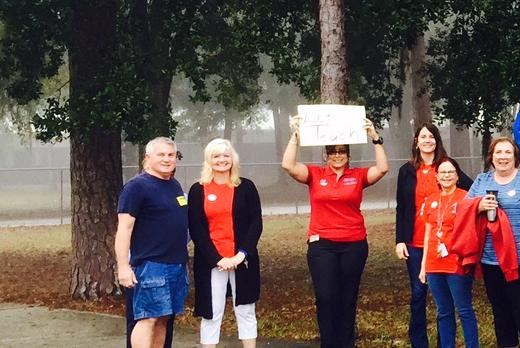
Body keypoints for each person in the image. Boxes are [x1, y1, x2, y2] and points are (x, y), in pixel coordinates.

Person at [281, 117, 389, 347]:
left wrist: (375, 137)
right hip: (322, 246)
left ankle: (346, 343)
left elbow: (382, 168)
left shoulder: (357, 176)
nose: (337, 155)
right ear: (326, 155)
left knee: (347, 298)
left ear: (348, 155)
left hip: (354, 244)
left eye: (342, 151)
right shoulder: (315, 175)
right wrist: (296, 136)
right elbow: (288, 165)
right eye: (332, 151)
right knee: (326, 297)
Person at [395, 122, 473, 348]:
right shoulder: (407, 171)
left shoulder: (447, 167)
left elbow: (470, 190)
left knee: (445, 300)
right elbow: (402, 207)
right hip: (416, 242)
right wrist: (400, 239)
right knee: (419, 294)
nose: (427, 140)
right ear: (416, 142)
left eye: (431, 137)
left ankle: (444, 343)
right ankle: (419, 343)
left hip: (446, 243)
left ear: (437, 141)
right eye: (423, 137)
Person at [466, 137, 520, 348]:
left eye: (507, 152)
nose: (503, 157)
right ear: (491, 157)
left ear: (515, 156)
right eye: (498, 152)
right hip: (491, 260)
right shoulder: (482, 181)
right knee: (500, 312)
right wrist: (479, 206)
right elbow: (464, 211)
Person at [188, 139, 263, 348]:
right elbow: (196, 229)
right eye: (216, 156)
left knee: (246, 310)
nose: (222, 160)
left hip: (242, 260)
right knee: (212, 313)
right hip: (212, 262)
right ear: (209, 160)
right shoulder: (198, 189)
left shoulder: (246, 187)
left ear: (233, 158)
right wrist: (217, 259)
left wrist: (242, 255)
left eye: (226, 155)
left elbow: (255, 223)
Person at [115, 137, 188, 348]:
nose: (167, 159)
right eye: (161, 154)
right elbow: (124, 229)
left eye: (171, 155)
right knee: (148, 318)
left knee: (163, 318)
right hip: (150, 266)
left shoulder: (174, 185)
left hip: (176, 265)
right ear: (148, 158)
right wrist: (123, 266)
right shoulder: (136, 187)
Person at [416, 158, 480, 348]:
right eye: (443, 172)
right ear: (437, 176)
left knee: (464, 309)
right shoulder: (431, 201)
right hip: (434, 263)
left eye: (450, 172)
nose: (446, 176)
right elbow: (427, 235)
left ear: (457, 175)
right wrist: (423, 267)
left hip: (457, 262)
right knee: (443, 311)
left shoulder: (466, 198)